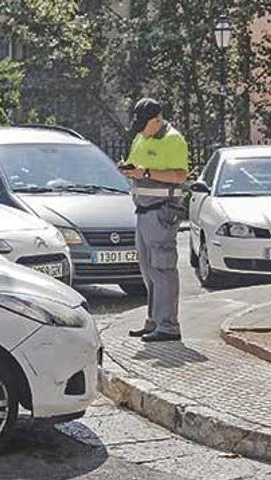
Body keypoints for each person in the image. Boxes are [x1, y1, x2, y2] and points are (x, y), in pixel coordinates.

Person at [119, 98, 189, 342]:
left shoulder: (173, 139)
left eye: (143, 124)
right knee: (148, 270)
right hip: (144, 211)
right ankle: (154, 322)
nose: (140, 129)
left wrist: (145, 173)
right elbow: (139, 168)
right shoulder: (141, 137)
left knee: (163, 269)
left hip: (162, 212)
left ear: (157, 120)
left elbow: (180, 176)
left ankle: (169, 326)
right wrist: (130, 170)